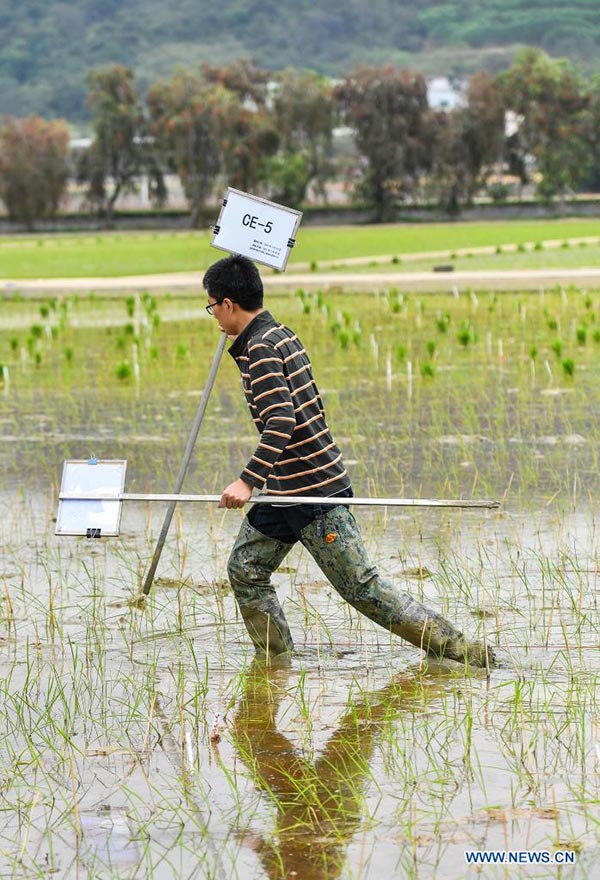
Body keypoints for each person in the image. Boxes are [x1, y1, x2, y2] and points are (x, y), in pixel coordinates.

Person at [203, 255, 495, 668]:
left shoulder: (263, 349)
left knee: (362, 588)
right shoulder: (280, 334)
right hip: (285, 488)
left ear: (229, 304)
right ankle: (274, 661)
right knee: (246, 568)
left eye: (212, 305)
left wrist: (247, 481)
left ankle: (461, 651)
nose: (212, 315)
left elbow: (282, 419)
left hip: (313, 490)